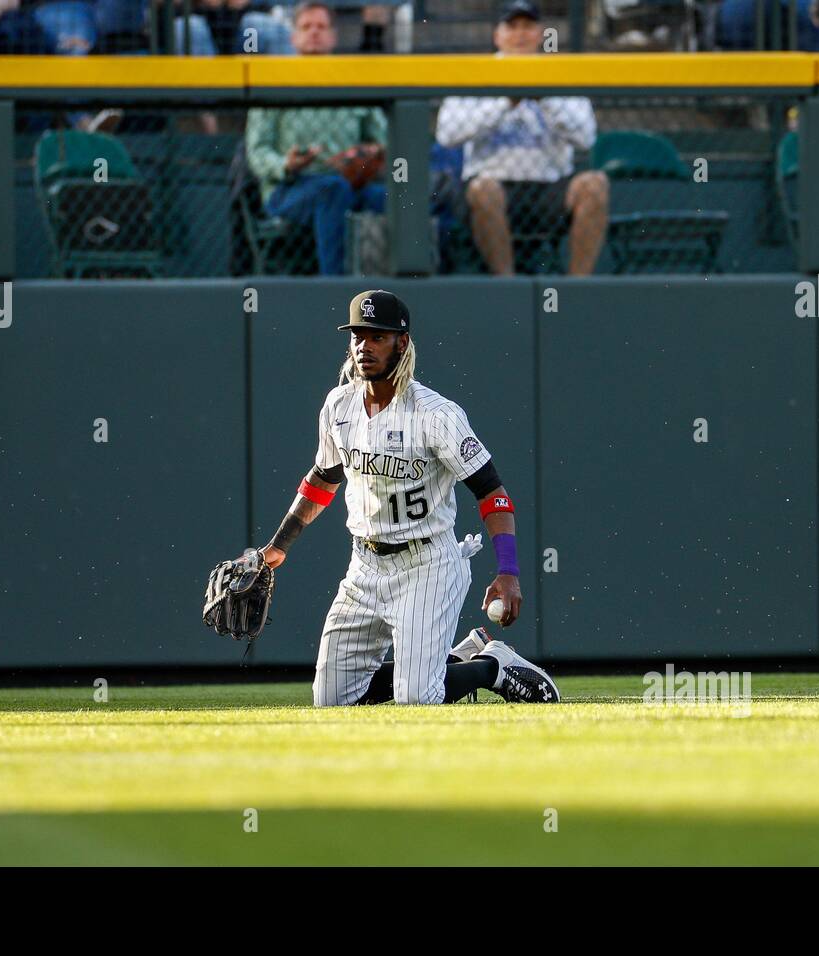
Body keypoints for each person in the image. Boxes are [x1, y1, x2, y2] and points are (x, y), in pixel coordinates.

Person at [255, 290, 561, 706]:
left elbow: (492, 494)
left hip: (427, 566)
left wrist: (508, 570)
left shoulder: (435, 415)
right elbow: (323, 480)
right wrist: (277, 547)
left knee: (417, 698)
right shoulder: (338, 406)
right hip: (363, 567)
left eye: (377, 336)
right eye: (357, 336)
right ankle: (455, 658)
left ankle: (494, 667)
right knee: (330, 702)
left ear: (402, 343)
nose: (364, 346)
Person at [435, 0, 608, 276]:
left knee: (595, 184)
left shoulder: (561, 73)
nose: (520, 34)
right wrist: (505, 102)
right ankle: (508, 284)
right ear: (497, 35)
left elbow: (586, 138)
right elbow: (447, 135)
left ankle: (577, 287)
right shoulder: (474, 72)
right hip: (493, 185)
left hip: (550, 188)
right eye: (512, 26)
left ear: (540, 34)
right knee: (483, 189)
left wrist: (545, 98)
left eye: (528, 26)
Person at [244, 2, 387, 275]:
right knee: (331, 190)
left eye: (321, 27)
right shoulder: (274, 82)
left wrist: (369, 154)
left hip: (349, 183)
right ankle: (334, 288)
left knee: (392, 198)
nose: (314, 33)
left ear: (333, 36)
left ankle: (396, 285)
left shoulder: (352, 81)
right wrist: (286, 165)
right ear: (293, 37)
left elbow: (382, 139)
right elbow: (257, 151)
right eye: (306, 27)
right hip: (289, 189)